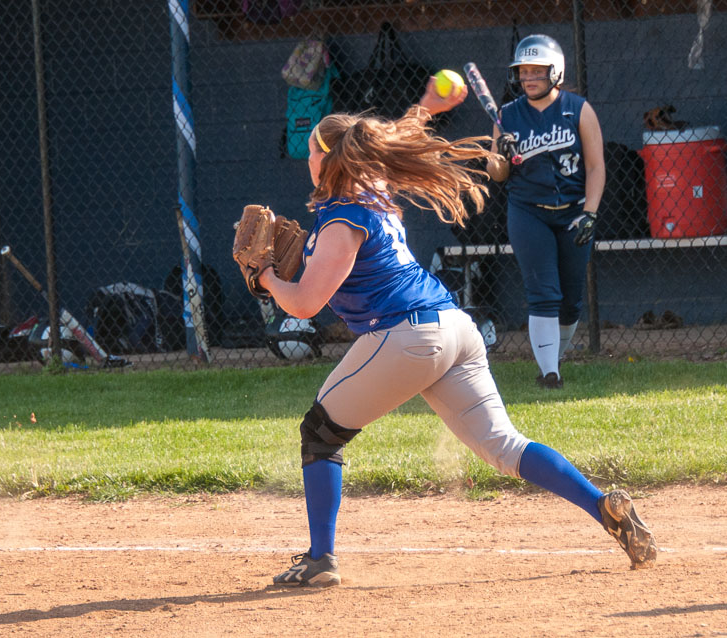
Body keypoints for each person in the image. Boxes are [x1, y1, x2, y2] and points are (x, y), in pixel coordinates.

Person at [256, 76, 654, 588]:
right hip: (455, 328)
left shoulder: (339, 220)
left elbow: (306, 304)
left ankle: (319, 560)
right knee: (505, 446)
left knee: (320, 432)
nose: (307, 158)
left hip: (405, 336)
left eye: (312, 150)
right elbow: (390, 140)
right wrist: (426, 105)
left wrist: (267, 278)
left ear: (327, 160)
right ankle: (603, 506)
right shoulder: (374, 191)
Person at [486, 34, 606, 390]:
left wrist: (590, 212)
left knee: (570, 301)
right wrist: (501, 154)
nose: (529, 78)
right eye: (523, 71)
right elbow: (497, 174)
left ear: (556, 71)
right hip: (528, 212)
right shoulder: (507, 115)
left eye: (537, 70)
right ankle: (549, 373)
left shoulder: (578, 109)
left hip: (573, 212)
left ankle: (555, 357)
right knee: (543, 292)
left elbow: (596, 166)